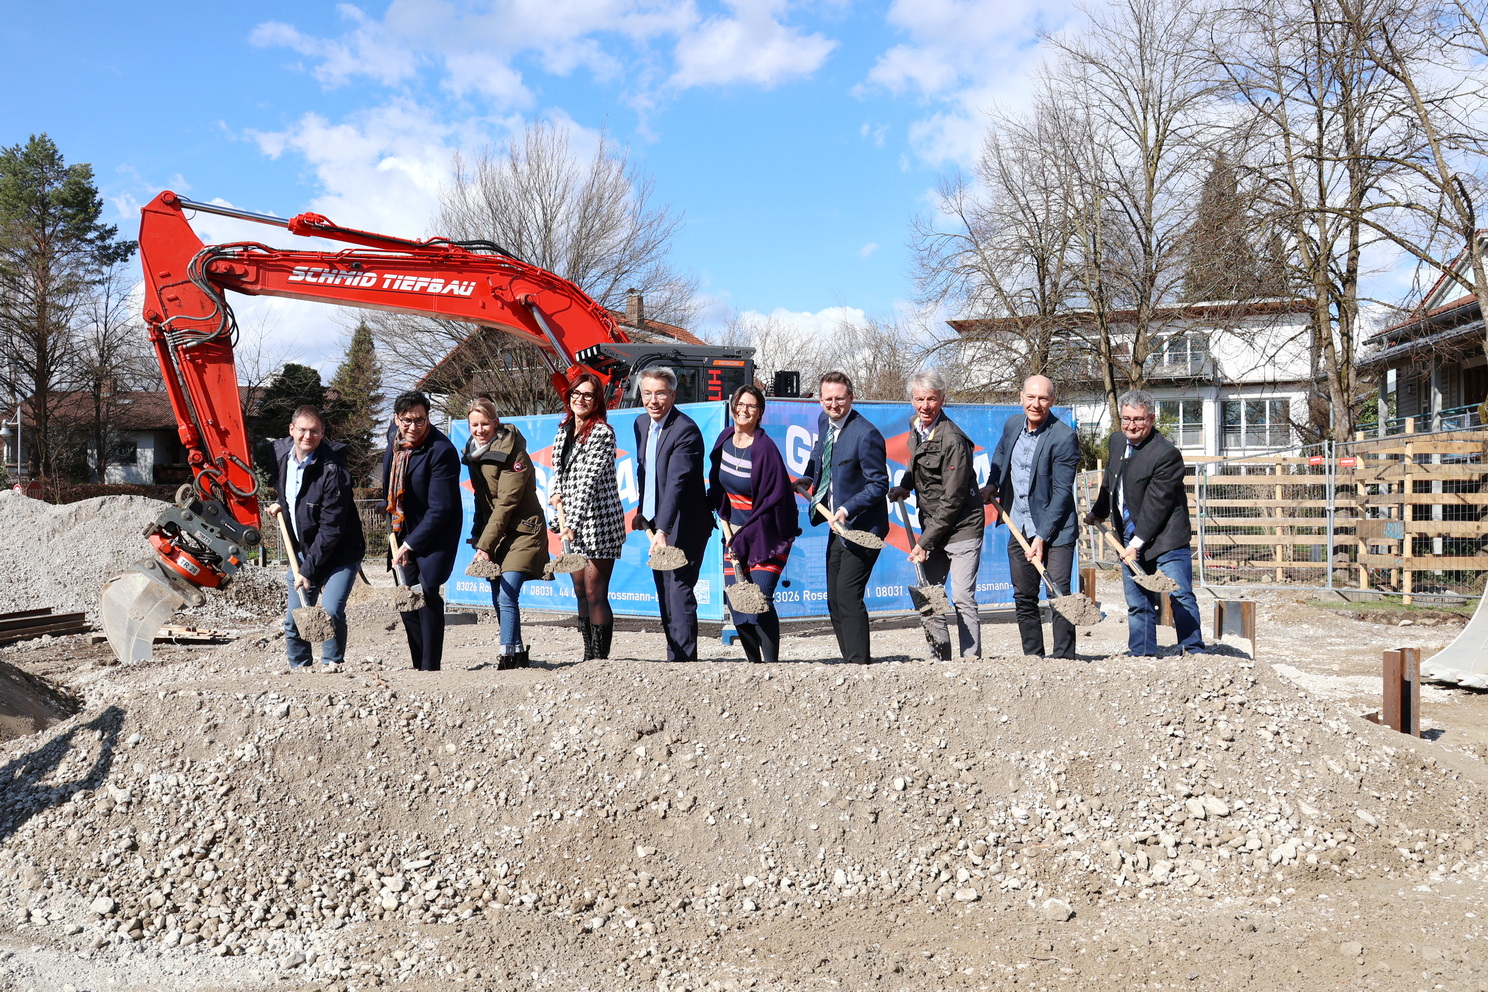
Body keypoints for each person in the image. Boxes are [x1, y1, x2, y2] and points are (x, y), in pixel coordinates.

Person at [1086, 389, 1206, 656]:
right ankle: (1142, 653)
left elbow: (1157, 504)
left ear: (1151, 419)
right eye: (1126, 419)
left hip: (1166, 538)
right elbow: (1111, 482)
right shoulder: (1117, 442)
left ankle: (1195, 652)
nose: (1132, 426)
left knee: (1180, 596)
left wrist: (1136, 544)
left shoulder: (1166, 454)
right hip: (1130, 538)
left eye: (1139, 419)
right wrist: (1099, 511)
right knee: (1138, 600)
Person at [887, 371, 984, 660]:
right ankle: (939, 658)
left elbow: (952, 500)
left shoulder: (953, 440)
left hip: (963, 527)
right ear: (912, 400)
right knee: (929, 595)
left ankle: (971, 660)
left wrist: (924, 542)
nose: (925, 405)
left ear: (942, 399)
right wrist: (905, 486)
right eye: (919, 399)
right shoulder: (916, 426)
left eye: (931, 399)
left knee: (962, 597)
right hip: (933, 525)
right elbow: (917, 464)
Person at [984, 374, 1081, 659]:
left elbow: (1063, 493)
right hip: (1018, 524)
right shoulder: (1013, 425)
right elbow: (1001, 454)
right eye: (1031, 397)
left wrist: (1041, 537)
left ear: (1052, 401)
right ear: (1021, 397)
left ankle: (1063, 659)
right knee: (1024, 595)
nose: (1035, 404)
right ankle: (1033, 658)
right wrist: (993, 483)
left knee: (1059, 595)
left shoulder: (1064, 437)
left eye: (1042, 398)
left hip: (1057, 530)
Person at [798, 371, 889, 665]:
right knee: (835, 601)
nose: (834, 405)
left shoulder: (866, 434)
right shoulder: (825, 422)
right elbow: (819, 454)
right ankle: (850, 661)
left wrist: (847, 508)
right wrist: (807, 476)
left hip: (863, 528)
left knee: (849, 596)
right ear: (821, 401)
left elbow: (879, 484)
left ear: (850, 398)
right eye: (828, 400)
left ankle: (859, 664)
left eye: (839, 399)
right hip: (836, 527)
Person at [266, 405, 366, 670]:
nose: (307, 436)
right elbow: (293, 495)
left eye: (314, 431)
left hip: (340, 553)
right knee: (294, 617)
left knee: (331, 611)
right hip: (302, 550)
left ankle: (332, 666)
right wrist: (281, 505)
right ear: (292, 430)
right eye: (302, 430)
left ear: (323, 433)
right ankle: (300, 669)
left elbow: (331, 529)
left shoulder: (334, 471)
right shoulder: (282, 458)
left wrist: (307, 571)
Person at [706, 385, 801, 664]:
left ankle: (771, 665)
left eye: (752, 406)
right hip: (733, 534)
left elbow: (776, 500)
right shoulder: (724, 440)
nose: (744, 410)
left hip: (765, 535)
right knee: (738, 603)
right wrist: (720, 511)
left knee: (759, 600)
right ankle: (754, 666)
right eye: (740, 404)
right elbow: (717, 483)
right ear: (733, 407)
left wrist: (744, 536)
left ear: (760, 413)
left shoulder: (765, 449)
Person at [462, 397, 549, 670]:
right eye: (474, 425)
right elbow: (482, 500)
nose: (480, 430)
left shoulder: (514, 453)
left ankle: (507, 654)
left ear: (496, 422)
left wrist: (485, 546)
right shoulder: (473, 452)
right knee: (498, 592)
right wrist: (478, 535)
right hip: (496, 533)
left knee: (508, 591)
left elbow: (506, 502)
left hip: (525, 530)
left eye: (485, 423)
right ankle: (520, 651)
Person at [633, 367, 712, 662]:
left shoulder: (685, 430)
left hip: (686, 523)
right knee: (663, 590)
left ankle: (684, 662)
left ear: (673, 395)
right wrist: (644, 513)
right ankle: (674, 655)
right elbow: (647, 472)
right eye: (647, 393)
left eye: (660, 393)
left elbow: (677, 483)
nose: (653, 400)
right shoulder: (641, 424)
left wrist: (663, 530)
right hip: (657, 522)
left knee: (678, 589)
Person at [381, 391, 461, 672]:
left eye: (421, 420)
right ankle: (417, 663)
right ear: (396, 419)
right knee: (407, 596)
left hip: (436, 533)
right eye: (407, 420)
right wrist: (386, 505)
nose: (413, 427)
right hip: (403, 528)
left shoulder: (442, 451)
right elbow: (388, 475)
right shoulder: (394, 439)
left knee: (426, 593)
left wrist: (411, 544)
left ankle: (430, 666)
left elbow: (441, 509)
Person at [550, 372, 624, 661]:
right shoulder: (563, 430)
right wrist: (556, 500)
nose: (580, 399)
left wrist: (571, 526)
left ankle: (599, 660)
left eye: (588, 395)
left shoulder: (603, 434)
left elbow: (587, 484)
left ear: (597, 401)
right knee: (580, 591)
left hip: (598, 525)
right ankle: (587, 654)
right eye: (576, 393)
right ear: (569, 396)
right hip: (571, 523)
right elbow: (559, 474)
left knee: (595, 592)